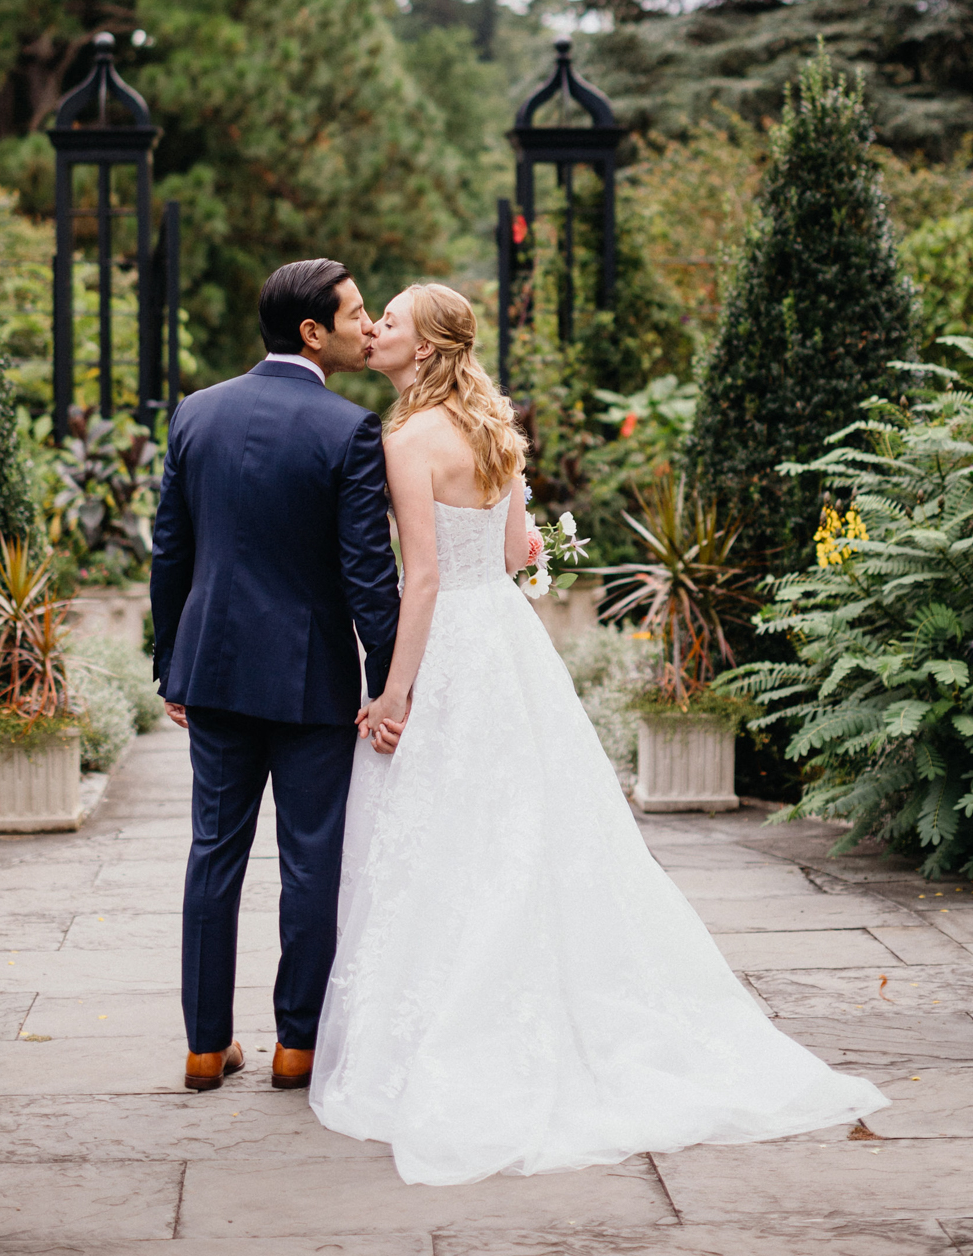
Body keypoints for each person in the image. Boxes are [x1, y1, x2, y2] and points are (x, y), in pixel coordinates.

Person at [309, 281, 888, 1185]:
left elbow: (421, 582)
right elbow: (511, 557)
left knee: (447, 834)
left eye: (390, 321)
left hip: (455, 644)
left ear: (423, 350)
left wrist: (392, 694)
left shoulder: (405, 438)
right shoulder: (493, 430)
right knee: (531, 827)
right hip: (507, 643)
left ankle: (459, 1021)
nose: (375, 330)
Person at [150, 258, 402, 1094]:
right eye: (358, 312)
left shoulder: (197, 414)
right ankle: (297, 1047)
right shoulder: (348, 430)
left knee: (212, 854)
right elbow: (369, 575)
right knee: (309, 861)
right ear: (312, 332)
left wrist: (170, 667)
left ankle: (202, 1047)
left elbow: (171, 555)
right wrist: (389, 679)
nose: (368, 325)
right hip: (309, 683)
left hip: (213, 673)